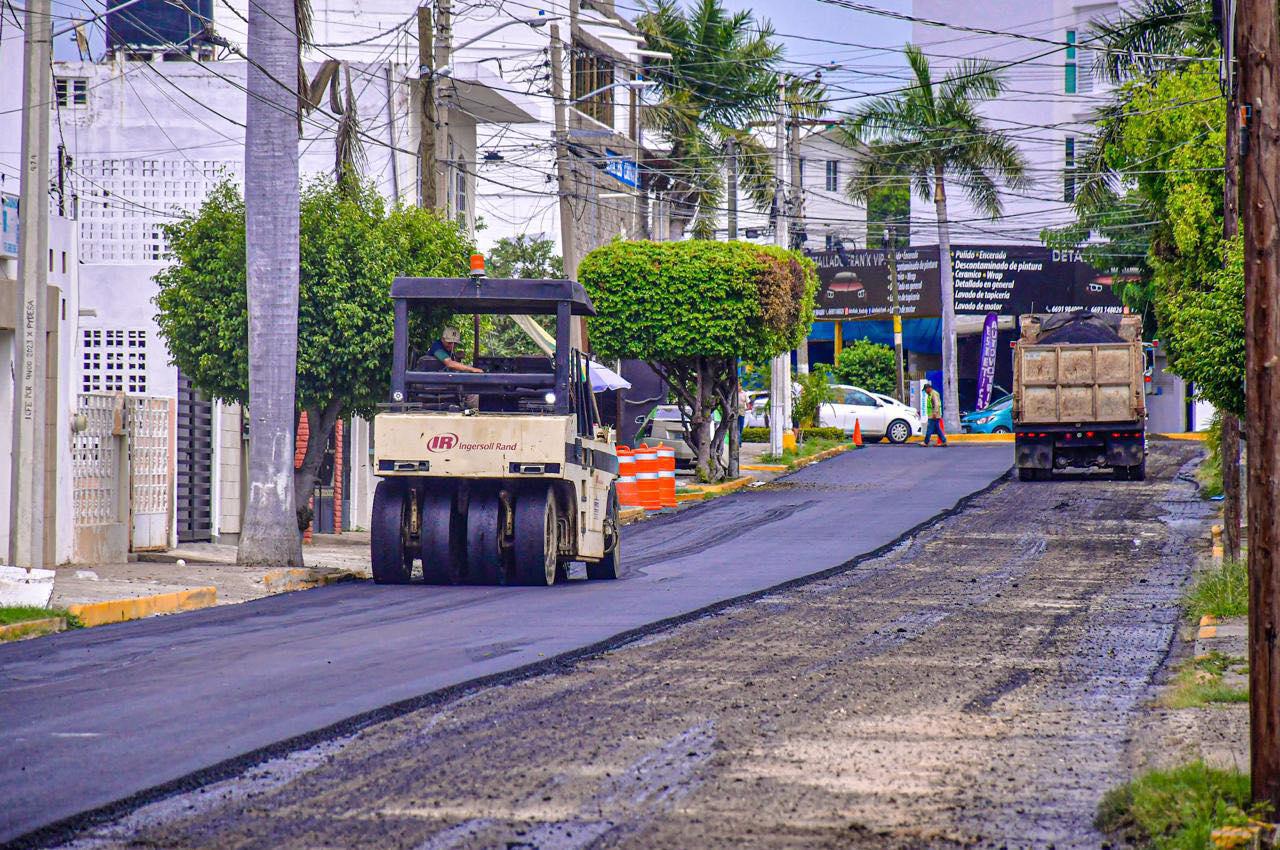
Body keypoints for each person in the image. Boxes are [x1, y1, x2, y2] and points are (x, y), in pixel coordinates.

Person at [922, 379, 948, 447]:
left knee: (929, 429)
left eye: (925, 390)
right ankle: (944, 441)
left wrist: (934, 413)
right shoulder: (931, 394)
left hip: (934, 415)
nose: (925, 391)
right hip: (934, 415)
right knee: (938, 429)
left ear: (929, 388)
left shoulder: (933, 394)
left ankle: (926, 442)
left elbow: (936, 404)